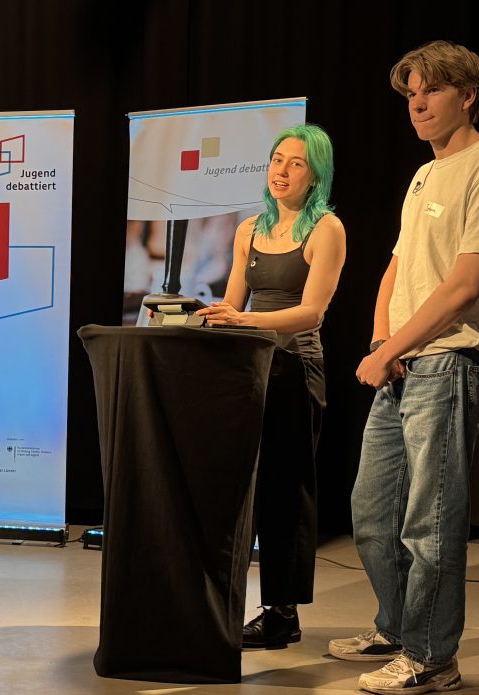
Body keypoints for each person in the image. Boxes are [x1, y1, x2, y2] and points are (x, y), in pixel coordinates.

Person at [331, 40, 479, 695]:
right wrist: (381, 340)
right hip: (403, 362)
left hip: (451, 363)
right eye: (411, 94)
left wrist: (390, 351)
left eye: (432, 91)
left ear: (467, 96)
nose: (417, 104)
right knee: (372, 512)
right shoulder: (424, 175)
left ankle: (432, 657)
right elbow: (397, 266)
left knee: (430, 519)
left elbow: (465, 286)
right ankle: (397, 627)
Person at [196, 124, 346, 648]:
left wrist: (246, 322)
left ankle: (282, 612)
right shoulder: (249, 230)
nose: (281, 171)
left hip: (296, 369)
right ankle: (225, 602)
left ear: (315, 175)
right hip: (252, 369)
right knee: (245, 488)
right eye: (277, 159)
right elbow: (233, 304)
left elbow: (311, 313)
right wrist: (205, 315)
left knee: (286, 491)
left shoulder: (326, 229)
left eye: (295, 163)